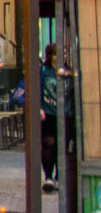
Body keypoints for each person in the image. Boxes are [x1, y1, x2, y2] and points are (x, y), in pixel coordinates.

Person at [42, 46, 62, 194]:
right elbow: (36, 88)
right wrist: (39, 108)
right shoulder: (44, 71)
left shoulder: (66, 71)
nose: (58, 57)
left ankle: (59, 176)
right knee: (49, 144)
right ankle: (48, 176)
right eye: (55, 54)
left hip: (64, 113)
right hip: (48, 113)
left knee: (61, 146)